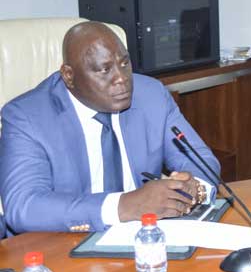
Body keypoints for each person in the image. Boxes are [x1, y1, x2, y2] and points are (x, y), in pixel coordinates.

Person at [0, 22, 220, 235]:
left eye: (124, 63)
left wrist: (194, 188)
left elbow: (199, 158)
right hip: (65, 242)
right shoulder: (27, 117)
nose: (122, 79)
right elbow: (24, 206)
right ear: (69, 76)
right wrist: (124, 205)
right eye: (104, 70)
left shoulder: (151, 94)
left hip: (147, 235)